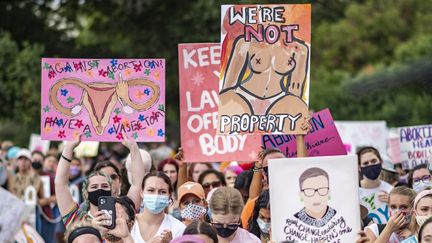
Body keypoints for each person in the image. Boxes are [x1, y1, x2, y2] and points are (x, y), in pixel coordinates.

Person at [55, 139, 113, 229]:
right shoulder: (78, 220)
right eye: (94, 187)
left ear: (111, 190)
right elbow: (60, 184)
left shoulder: (122, 216)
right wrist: (68, 148)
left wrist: (133, 147)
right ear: (86, 192)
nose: (100, 189)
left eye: (105, 186)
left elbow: (136, 185)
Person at [131, 171, 186, 242]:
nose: (156, 195)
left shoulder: (179, 228)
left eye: (162, 192)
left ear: (169, 195)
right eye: (151, 190)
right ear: (142, 193)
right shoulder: (129, 224)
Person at [358, 146, 394, 224]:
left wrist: (393, 203)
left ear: (381, 162)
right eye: (365, 163)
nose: (370, 165)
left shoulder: (391, 190)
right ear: (359, 168)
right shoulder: (355, 194)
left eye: (373, 161)